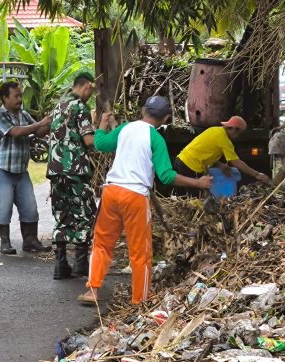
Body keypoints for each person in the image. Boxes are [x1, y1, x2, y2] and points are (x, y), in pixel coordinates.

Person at [78, 96, 212, 305]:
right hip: (135, 197)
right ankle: (139, 299)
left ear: (143, 110)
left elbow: (100, 143)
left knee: (102, 243)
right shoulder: (156, 139)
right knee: (140, 250)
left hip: (112, 191)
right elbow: (166, 176)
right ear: (166, 118)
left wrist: (102, 124)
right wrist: (200, 183)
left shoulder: (125, 128)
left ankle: (92, 291)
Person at [0, 81, 52, 255]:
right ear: (5, 98)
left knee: (30, 208)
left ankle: (30, 241)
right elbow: (16, 132)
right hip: (3, 170)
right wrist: (41, 122)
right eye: (16, 96)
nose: (19, 99)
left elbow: (38, 132)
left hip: (21, 171)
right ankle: (5, 243)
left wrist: (48, 124)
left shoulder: (23, 114)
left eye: (20, 95)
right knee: (4, 208)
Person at [47, 72, 97, 280]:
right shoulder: (80, 107)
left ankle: (60, 264)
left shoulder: (59, 106)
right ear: (86, 87)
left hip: (56, 170)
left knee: (62, 214)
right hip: (76, 170)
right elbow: (89, 141)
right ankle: (80, 263)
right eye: (91, 91)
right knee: (84, 213)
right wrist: (101, 130)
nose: (90, 95)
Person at [174, 115, 270, 196]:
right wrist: (257, 175)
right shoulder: (224, 140)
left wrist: (221, 166)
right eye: (239, 134)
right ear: (234, 129)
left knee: (182, 197)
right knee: (195, 199)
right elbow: (236, 162)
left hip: (180, 160)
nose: (238, 136)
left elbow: (205, 152)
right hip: (191, 166)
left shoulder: (214, 130)